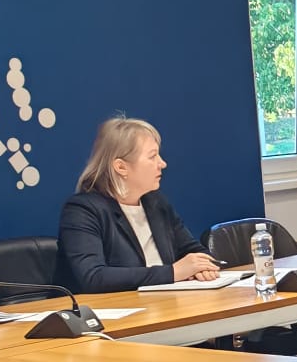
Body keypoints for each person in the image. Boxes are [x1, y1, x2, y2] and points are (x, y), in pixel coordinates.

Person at [57, 117, 220, 292]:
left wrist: (203, 268)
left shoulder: (156, 203)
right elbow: (94, 276)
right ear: (121, 167)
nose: (162, 164)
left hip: (167, 302)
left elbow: (195, 251)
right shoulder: (83, 210)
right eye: (152, 156)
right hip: (115, 307)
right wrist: (173, 272)